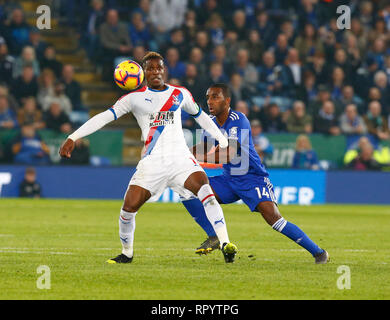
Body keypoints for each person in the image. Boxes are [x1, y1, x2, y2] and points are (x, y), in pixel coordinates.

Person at [59, 52, 237, 264]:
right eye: (150, 68)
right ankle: (127, 253)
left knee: (204, 188)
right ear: (143, 72)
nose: (155, 72)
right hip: (153, 163)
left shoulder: (180, 94)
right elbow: (103, 118)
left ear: (165, 70)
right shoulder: (133, 98)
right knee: (128, 208)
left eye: (159, 67)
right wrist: (73, 136)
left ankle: (226, 244)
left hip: (180, 158)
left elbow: (202, 118)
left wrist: (221, 139)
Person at [181, 83, 329, 264]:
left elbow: (231, 154)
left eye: (215, 97)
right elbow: (204, 147)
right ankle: (214, 236)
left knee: (274, 219)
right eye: (208, 97)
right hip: (229, 180)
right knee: (187, 190)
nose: (210, 102)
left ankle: (319, 253)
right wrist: (181, 152)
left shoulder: (238, 119)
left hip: (253, 178)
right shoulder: (210, 123)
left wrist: (201, 158)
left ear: (227, 101)